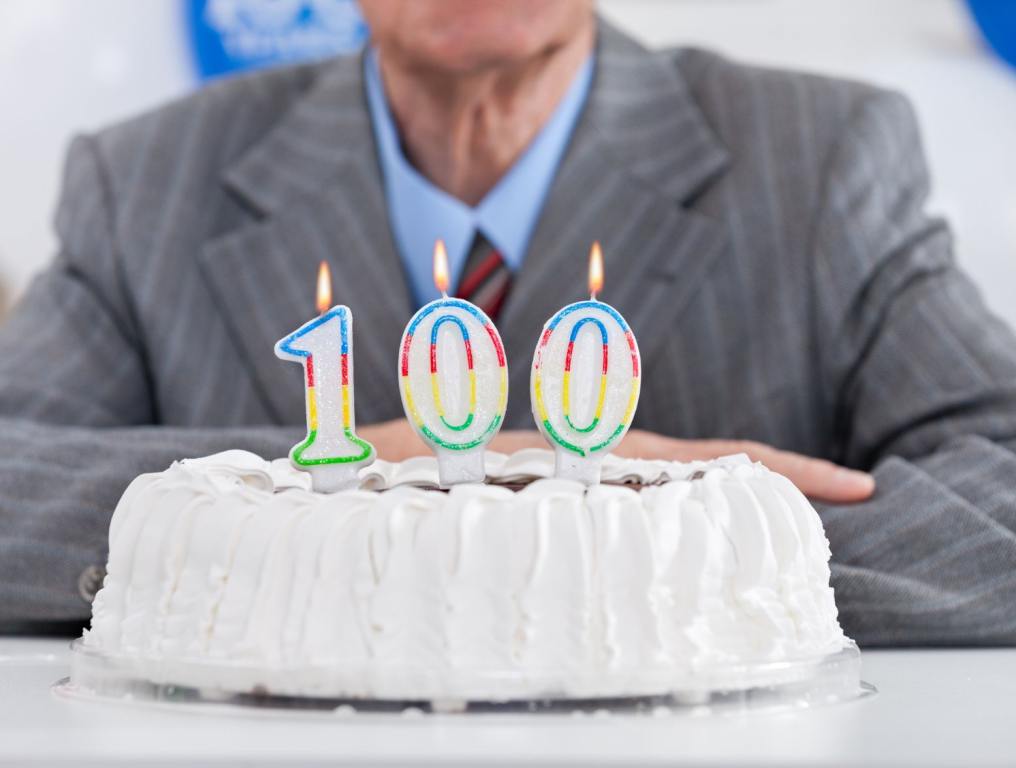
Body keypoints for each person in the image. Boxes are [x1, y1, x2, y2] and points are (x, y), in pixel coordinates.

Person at [1, 0, 1015, 644]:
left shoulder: (821, 154)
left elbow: (1000, 492)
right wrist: (358, 470)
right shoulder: (144, 182)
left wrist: (638, 536)